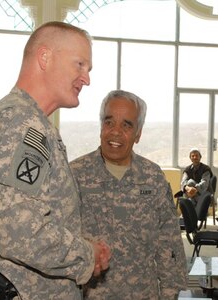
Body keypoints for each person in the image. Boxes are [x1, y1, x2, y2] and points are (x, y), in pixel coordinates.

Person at [0, 21, 110, 299]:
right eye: (80, 65)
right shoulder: (20, 124)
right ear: (44, 58)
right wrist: (86, 256)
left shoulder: (31, 122)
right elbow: (19, 234)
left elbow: (37, 216)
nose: (87, 79)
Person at [70, 90, 188, 299]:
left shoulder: (152, 177)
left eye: (126, 125)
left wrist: (170, 294)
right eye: (109, 122)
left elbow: (168, 242)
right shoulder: (74, 175)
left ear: (138, 134)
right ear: (101, 127)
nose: (115, 132)